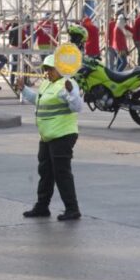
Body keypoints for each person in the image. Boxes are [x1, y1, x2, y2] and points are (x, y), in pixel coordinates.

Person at [16, 54, 83, 221]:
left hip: (62, 134)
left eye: (50, 69)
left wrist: (72, 92)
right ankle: (42, 206)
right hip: (47, 136)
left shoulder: (66, 84)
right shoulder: (47, 84)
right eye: (45, 69)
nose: (47, 72)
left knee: (62, 172)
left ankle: (72, 209)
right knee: (45, 172)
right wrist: (23, 89)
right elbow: (38, 101)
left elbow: (77, 107)